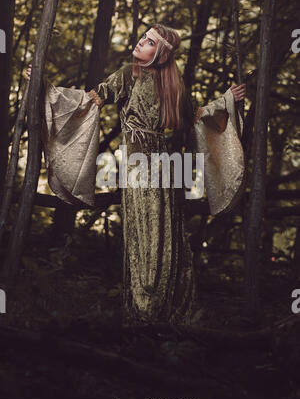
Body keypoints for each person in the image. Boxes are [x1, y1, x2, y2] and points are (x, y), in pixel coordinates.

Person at [25, 23, 246, 327]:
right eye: (143, 37)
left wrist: (227, 100)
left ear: (161, 53)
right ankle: (149, 308)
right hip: (145, 161)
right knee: (148, 227)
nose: (141, 42)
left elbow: (197, 115)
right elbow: (93, 98)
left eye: (149, 41)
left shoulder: (171, 85)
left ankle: (157, 309)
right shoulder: (130, 73)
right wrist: (44, 88)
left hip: (153, 163)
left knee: (164, 228)